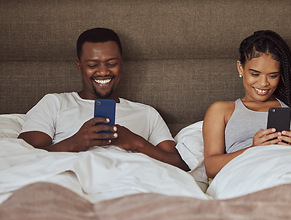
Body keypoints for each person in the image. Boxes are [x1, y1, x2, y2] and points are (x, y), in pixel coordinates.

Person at [18, 27, 189, 171]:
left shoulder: (146, 113)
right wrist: (74, 143)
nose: (103, 72)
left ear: (121, 63)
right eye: (92, 65)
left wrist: (138, 144)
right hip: (72, 182)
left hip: (131, 184)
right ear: (79, 66)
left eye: (111, 63)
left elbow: (182, 165)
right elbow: (21, 157)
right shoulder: (55, 103)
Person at [203, 30, 291, 178]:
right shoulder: (221, 110)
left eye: (273, 76)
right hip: (247, 178)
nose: (263, 83)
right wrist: (253, 149)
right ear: (240, 68)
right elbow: (211, 168)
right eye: (255, 74)